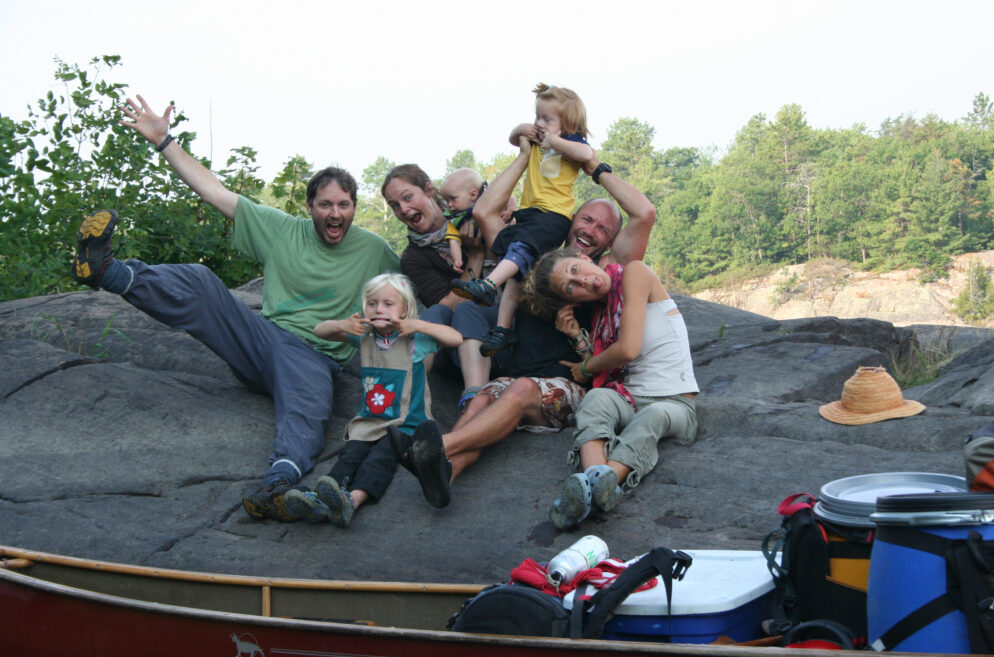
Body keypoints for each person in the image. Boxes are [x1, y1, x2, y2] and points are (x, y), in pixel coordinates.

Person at [74, 95, 400, 521]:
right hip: (259, 339)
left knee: (308, 407)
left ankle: (277, 486)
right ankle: (108, 272)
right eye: (325, 205)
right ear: (310, 208)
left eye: (344, 205)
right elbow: (215, 192)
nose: (335, 213)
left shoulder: (374, 249)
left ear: (355, 207)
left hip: (313, 357)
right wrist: (164, 141)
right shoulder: (284, 230)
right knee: (200, 281)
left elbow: (412, 288)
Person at [402, 154, 657, 509]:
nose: (590, 231)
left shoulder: (603, 274)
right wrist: (527, 154)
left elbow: (644, 213)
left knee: (521, 388)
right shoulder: (533, 256)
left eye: (603, 229)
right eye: (587, 220)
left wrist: (592, 166)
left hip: (573, 388)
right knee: (482, 398)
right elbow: (484, 212)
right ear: (571, 218)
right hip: (519, 376)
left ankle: (436, 449)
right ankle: (445, 473)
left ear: (611, 241)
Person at [522, 248, 700, 530]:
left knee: (653, 415)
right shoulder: (601, 317)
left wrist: (584, 367)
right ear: (572, 301)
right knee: (596, 398)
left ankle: (601, 483)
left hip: (676, 404)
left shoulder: (635, 273)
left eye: (575, 269)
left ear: (584, 258)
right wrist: (576, 337)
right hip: (631, 400)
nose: (583, 281)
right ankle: (595, 480)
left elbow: (627, 350)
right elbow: (605, 369)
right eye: (571, 287)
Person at [282, 273, 462, 523]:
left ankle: (352, 501)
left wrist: (418, 325)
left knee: (379, 460)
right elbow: (319, 330)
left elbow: (455, 338)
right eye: (372, 303)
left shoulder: (414, 340)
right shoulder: (365, 336)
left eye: (388, 304)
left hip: (405, 424)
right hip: (369, 421)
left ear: (405, 309)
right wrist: (343, 325)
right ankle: (325, 497)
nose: (379, 309)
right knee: (350, 455)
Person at [451, 84, 594, 356]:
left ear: (567, 123)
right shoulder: (538, 141)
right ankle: (503, 329)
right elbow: (513, 138)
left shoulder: (571, 143)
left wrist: (555, 142)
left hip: (553, 216)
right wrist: (522, 129)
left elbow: (587, 155)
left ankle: (488, 285)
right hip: (530, 213)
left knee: (520, 251)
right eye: (537, 116)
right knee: (517, 269)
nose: (539, 124)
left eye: (547, 119)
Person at [383, 164, 485, 309]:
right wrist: (476, 255)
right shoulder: (413, 258)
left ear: (429, 190)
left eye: (408, 197)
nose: (403, 209)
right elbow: (447, 307)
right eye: (395, 206)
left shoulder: (472, 211)